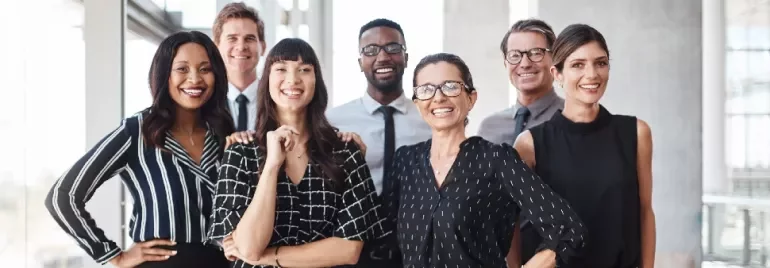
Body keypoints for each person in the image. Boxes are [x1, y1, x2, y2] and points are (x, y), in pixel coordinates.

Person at [44, 31, 235, 267]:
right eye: (182, 69)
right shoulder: (138, 131)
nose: (195, 78)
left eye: (205, 69)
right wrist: (114, 256)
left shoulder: (223, 134)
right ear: (164, 74)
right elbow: (62, 196)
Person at [381, 52, 586, 268]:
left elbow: (569, 230)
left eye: (450, 86)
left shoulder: (496, 159)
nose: (438, 97)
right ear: (417, 104)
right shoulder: (405, 161)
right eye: (426, 90)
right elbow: (382, 240)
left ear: (471, 98)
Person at [207, 38, 387, 268]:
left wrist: (268, 257)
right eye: (281, 69)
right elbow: (248, 246)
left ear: (316, 82)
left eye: (304, 70)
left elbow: (348, 249)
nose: (293, 79)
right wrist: (272, 165)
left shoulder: (346, 152)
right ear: (267, 81)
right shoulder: (240, 152)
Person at [514, 24, 656, 268]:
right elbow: (513, 226)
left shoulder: (636, 132)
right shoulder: (530, 144)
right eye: (577, 65)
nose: (592, 75)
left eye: (600, 63)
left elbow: (644, 212)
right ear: (557, 74)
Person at [326, 18, 431, 268]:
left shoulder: (429, 118)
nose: (382, 57)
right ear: (360, 62)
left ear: (406, 57)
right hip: (351, 246)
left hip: (416, 246)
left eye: (393, 48)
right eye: (370, 50)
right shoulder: (333, 121)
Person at [476, 19, 564, 266]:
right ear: (506, 63)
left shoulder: (570, 120)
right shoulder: (488, 127)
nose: (525, 63)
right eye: (515, 55)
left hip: (559, 255)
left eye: (536, 53)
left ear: (554, 59)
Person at [213, 2, 267, 131]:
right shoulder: (205, 102)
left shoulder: (277, 101)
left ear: (263, 47)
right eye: (232, 38)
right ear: (216, 47)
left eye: (249, 38)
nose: (241, 47)